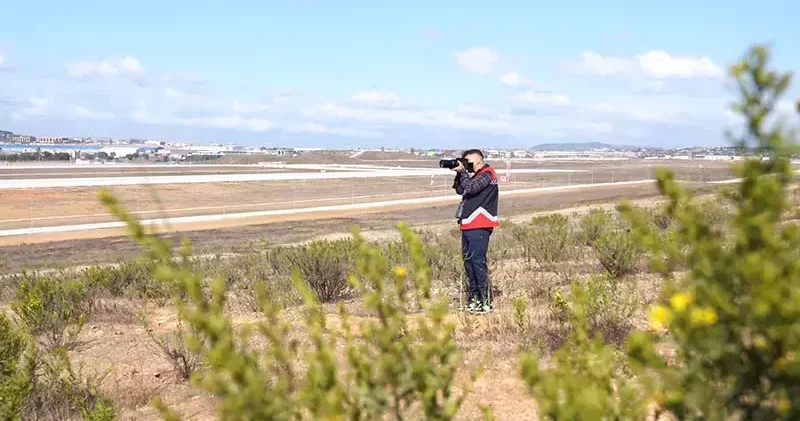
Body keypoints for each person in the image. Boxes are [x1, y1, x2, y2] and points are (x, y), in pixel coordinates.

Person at [450, 149, 499, 313]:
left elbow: (470, 188)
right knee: (469, 263)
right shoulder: (476, 176)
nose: (467, 166)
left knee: (478, 262)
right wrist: (459, 174)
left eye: (468, 162)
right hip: (469, 224)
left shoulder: (488, 174)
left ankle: (485, 301)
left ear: (478, 160)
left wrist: (463, 172)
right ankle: (474, 300)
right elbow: (461, 190)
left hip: (480, 224)